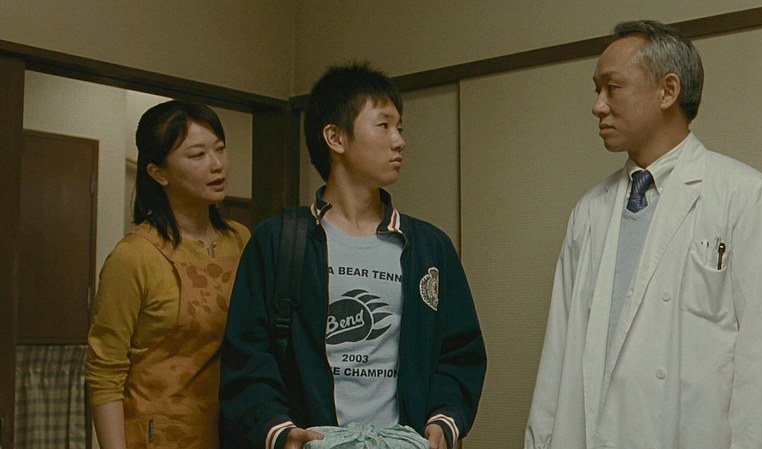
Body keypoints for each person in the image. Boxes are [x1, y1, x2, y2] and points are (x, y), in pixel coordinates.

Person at [525, 20, 762, 449]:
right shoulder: (590, 213)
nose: (598, 106)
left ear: (668, 90)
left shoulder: (744, 197)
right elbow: (557, 357)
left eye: (612, 87)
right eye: (597, 90)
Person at [219, 62, 487, 449]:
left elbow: (459, 351)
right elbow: (248, 355)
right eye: (383, 125)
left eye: (400, 128)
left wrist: (444, 420)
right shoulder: (279, 241)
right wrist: (278, 429)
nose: (399, 141)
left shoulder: (429, 247)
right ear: (335, 137)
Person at [86, 100, 251, 449]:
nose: (217, 164)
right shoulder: (134, 256)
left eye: (220, 149)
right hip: (156, 434)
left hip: (231, 429)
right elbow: (104, 372)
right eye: (198, 155)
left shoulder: (241, 240)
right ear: (158, 173)